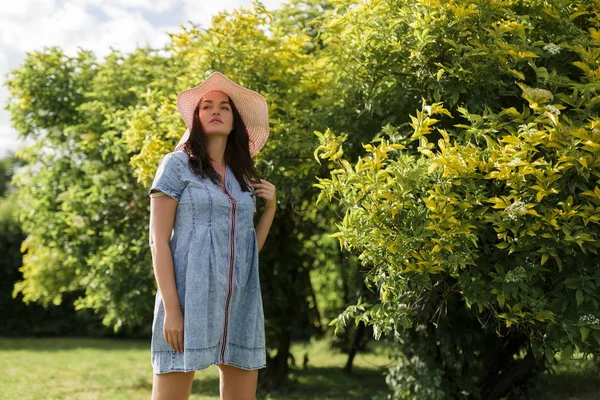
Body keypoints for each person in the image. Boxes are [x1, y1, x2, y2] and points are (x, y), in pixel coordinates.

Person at [148, 71, 276, 400]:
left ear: (235, 121)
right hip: (188, 297)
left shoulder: (242, 178)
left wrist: (270, 209)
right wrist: (173, 310)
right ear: (196, 118)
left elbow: (248, 251)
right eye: (206, 106)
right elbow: (157, 241)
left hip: (240, 302)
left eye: (224, 107)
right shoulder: (176, 165)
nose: (215, 111)